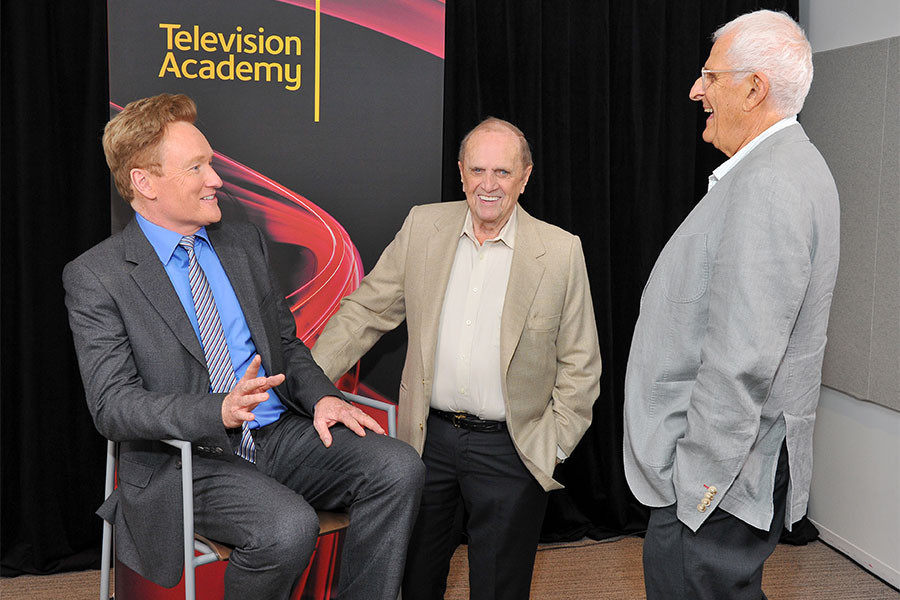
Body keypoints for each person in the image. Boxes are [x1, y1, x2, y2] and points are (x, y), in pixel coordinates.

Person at [63, 93, 425, 600]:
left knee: (399, 466)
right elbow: (113, 407)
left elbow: (285, 344)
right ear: (144, 182)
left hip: (277, 435)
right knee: (287, 529)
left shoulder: (242, 244)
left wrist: (322, 396)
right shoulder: (96, 277)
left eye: (211, 162)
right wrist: (220, 410)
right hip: (187, 460)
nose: (216, 179)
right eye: (197, 167)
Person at [311, 117, 602, 599]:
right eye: (478, 171)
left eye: (503, 173)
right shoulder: (423, 226)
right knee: (417, 579)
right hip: (427, 442)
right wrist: (307, 382)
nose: (489, 186)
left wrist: (551, 447)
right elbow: (365, 312)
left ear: (525, 177)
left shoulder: (560, 250)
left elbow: (581, 364)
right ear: (461, 172)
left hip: (513, 449)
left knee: (499, 587)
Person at [623, 10, 839, 600]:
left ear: (754, 87)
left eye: (710, 75)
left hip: (717, 479)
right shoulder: (782, 169)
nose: (697, 89)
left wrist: (695, 485)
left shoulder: (772, 182)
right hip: (728, 472)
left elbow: (742, 359)